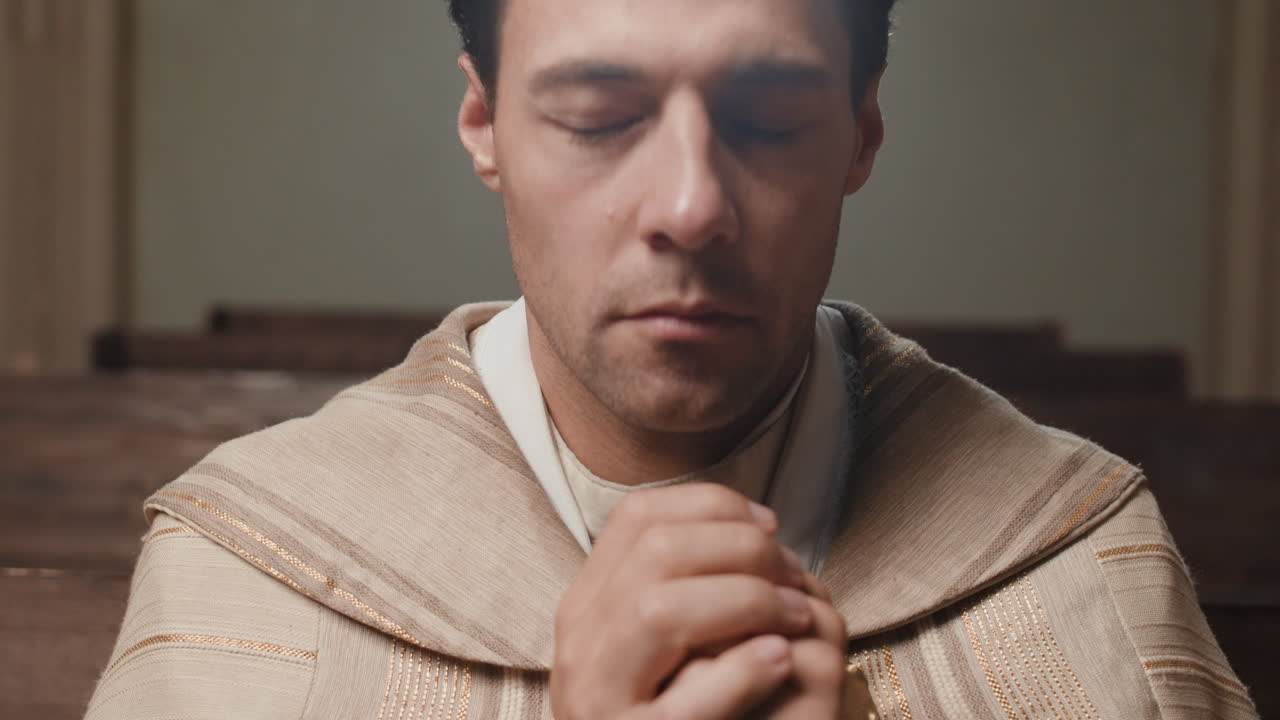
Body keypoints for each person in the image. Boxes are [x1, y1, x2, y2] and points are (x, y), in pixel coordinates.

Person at [87, 0, 1258, 717]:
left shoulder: (1082, 558)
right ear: (483, 124)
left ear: (859, 133)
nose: (692, 207)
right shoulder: (248, 571)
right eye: (599, 118)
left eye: (765, 122)